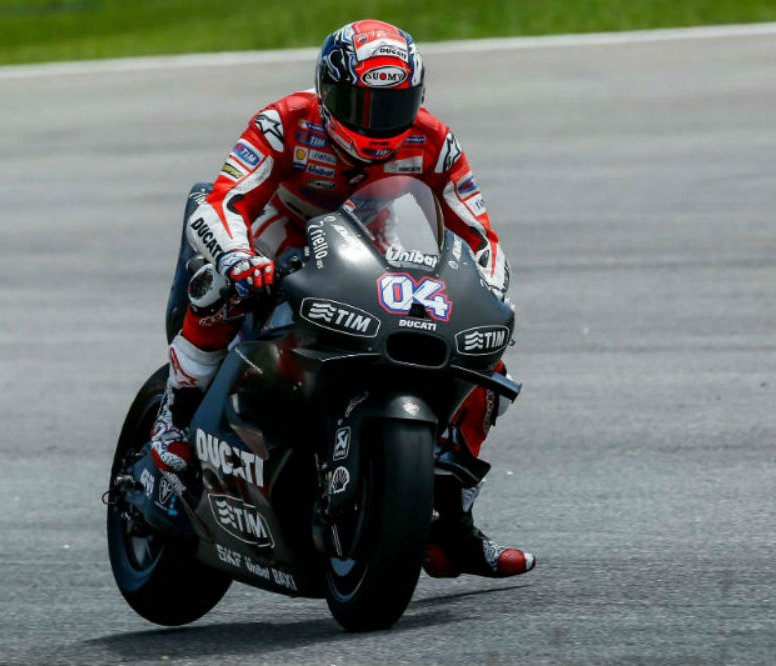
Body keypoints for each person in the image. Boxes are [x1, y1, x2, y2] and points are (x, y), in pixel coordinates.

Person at [150, 19, 534, 578]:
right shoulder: (284, 121)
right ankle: (174, 420)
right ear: (327, 94)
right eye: (360, 105)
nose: (377, 123)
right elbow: (223, 200)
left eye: (393, 106)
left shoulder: (435, 141)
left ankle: (451, 516)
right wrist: (237, 258)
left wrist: (491, 294)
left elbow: (479, 237)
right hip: (279, 235)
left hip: (373, 247)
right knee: (219, 286)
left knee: (483, 356)